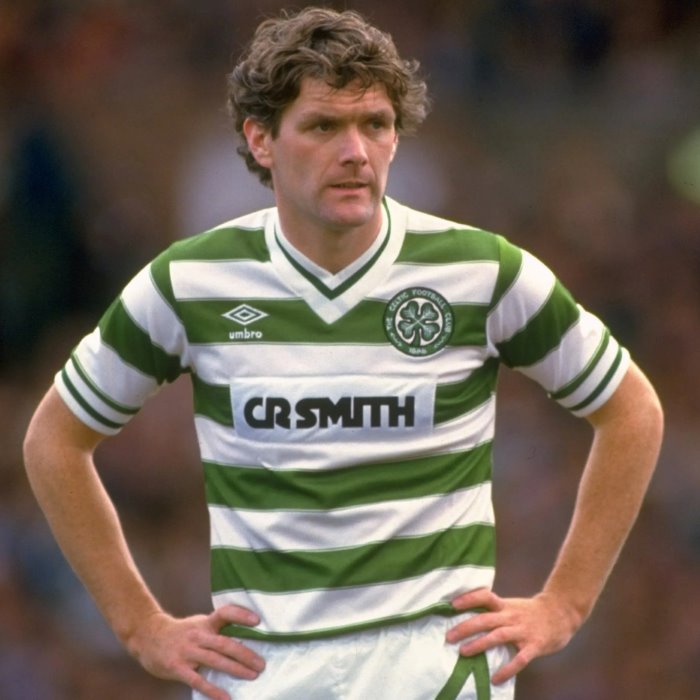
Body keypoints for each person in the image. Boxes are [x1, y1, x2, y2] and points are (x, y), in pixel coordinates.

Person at [23, 7, 663, 700]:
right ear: (261, 139)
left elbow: (632, 410)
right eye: (324, 126)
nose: (356, 151)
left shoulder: (482, 272)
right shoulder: (189, 282)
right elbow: (54, 440)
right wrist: (140, 626)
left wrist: (564, 604)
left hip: (432, 669)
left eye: (376, 124)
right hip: (262, 672)